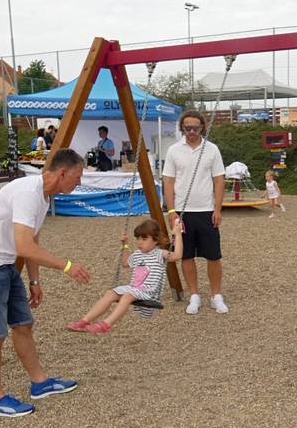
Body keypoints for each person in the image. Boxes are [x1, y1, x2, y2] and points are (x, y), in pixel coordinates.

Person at [0, 148, 92, 418]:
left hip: (5, 264)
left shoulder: (42, 196)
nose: (79, 183)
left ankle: (39, 382)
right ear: (62, 173)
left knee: (23, 324)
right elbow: (23, 244)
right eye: (77, 178)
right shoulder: (27, 193)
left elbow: (32, 241)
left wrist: (34, 280)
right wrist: (66, 266)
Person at [66, 218, 184, 334]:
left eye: (144, 238)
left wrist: (178, 235)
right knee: (110, 293)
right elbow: (125, 263)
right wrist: (125, 246)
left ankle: (105, 324)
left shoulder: (160, 254)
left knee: (127, 296)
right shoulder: (137, 254)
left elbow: (177, 255)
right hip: (134, 288)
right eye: (137, 238)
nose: (139, 242)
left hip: (149, 292)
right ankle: (84, 321)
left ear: (156, 240)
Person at [163, 110, 228, 315]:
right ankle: (194, 295)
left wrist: (217, 209)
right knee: (186, 255)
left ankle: (216, 295)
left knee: (213, 256)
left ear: (202, 128)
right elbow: (168, 182)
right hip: (182, 212)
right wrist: (171, 210)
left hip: (206, 210)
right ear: (182, 128)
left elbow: (219, 180)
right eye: (187, 127)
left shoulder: (212, 149)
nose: (191, 131)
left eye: (195, 127)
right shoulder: (173, 150)